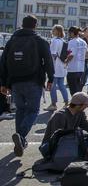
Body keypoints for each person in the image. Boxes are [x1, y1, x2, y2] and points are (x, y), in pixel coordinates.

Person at [0, 15, 54, 157]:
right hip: (33, 80)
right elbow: (48, 60)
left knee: (20, 110)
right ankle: (21, 136)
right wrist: (51, 78)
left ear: (22, 25)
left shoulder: (12, 41)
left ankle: (21, 140)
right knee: (32, 111)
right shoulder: (39, 41)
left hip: (15, 81)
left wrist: (3, 83)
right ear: (35, 25)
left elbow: (3, 62)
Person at [40, 92, 88, 158]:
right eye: (86, 104)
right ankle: (79, 154)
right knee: (87, 150)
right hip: (52, 146)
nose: (87, 106)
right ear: (79, 105)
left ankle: (79, 153)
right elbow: (57, 140)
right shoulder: (60, 116)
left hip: (70, 141)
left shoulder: (80, 113)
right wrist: (83, 149)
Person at [46, 25, 69, 111]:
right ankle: (67, 102)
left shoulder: (54, 41)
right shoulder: (64, 41)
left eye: (54, 30)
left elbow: (52, 54)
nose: (52, 30)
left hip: (55, 66)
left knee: (52, 85)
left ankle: (53, 104)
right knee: (61, 85)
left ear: (58, 31)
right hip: (62, 66)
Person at [65, 26, 88, 94]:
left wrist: (66, 62)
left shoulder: (72, 42)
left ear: (72, 33)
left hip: (72, 68)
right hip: (81, 68)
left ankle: (75, 103)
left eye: (69, 33)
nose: (69, 34)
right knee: (78, 88)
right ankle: (79, 103)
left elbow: (71, 54)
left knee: (73, 89)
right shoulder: (83, 42)